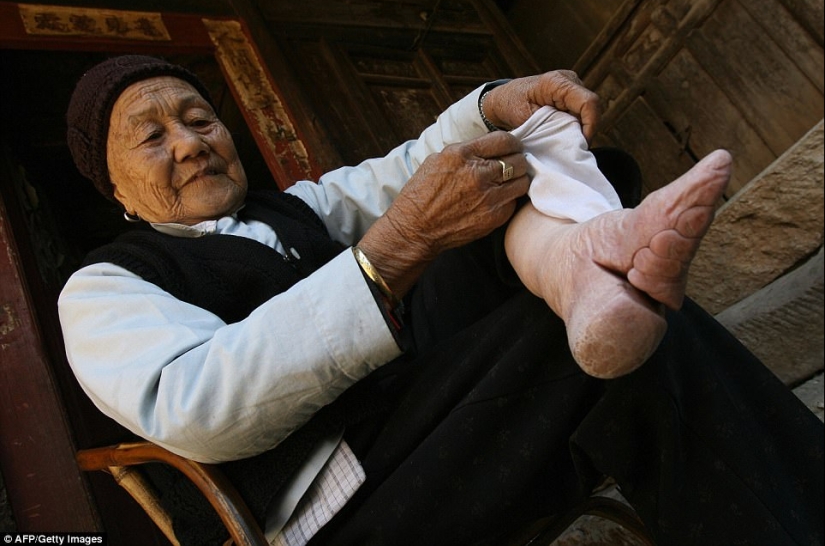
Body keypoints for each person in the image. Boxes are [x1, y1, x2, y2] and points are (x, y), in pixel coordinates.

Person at [58, 55, 822, 546]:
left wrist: (494, 109)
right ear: (117, 188)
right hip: (340, 505)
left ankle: (585, 267)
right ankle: (593, 281)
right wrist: (389, 250)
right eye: (151, 137)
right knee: (599, 342)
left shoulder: (293, 208)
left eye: (198, 119)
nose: (191, 142)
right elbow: (194, 404)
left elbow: (407, 170)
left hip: (418, 419)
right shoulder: (103, 288)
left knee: (504, 176)